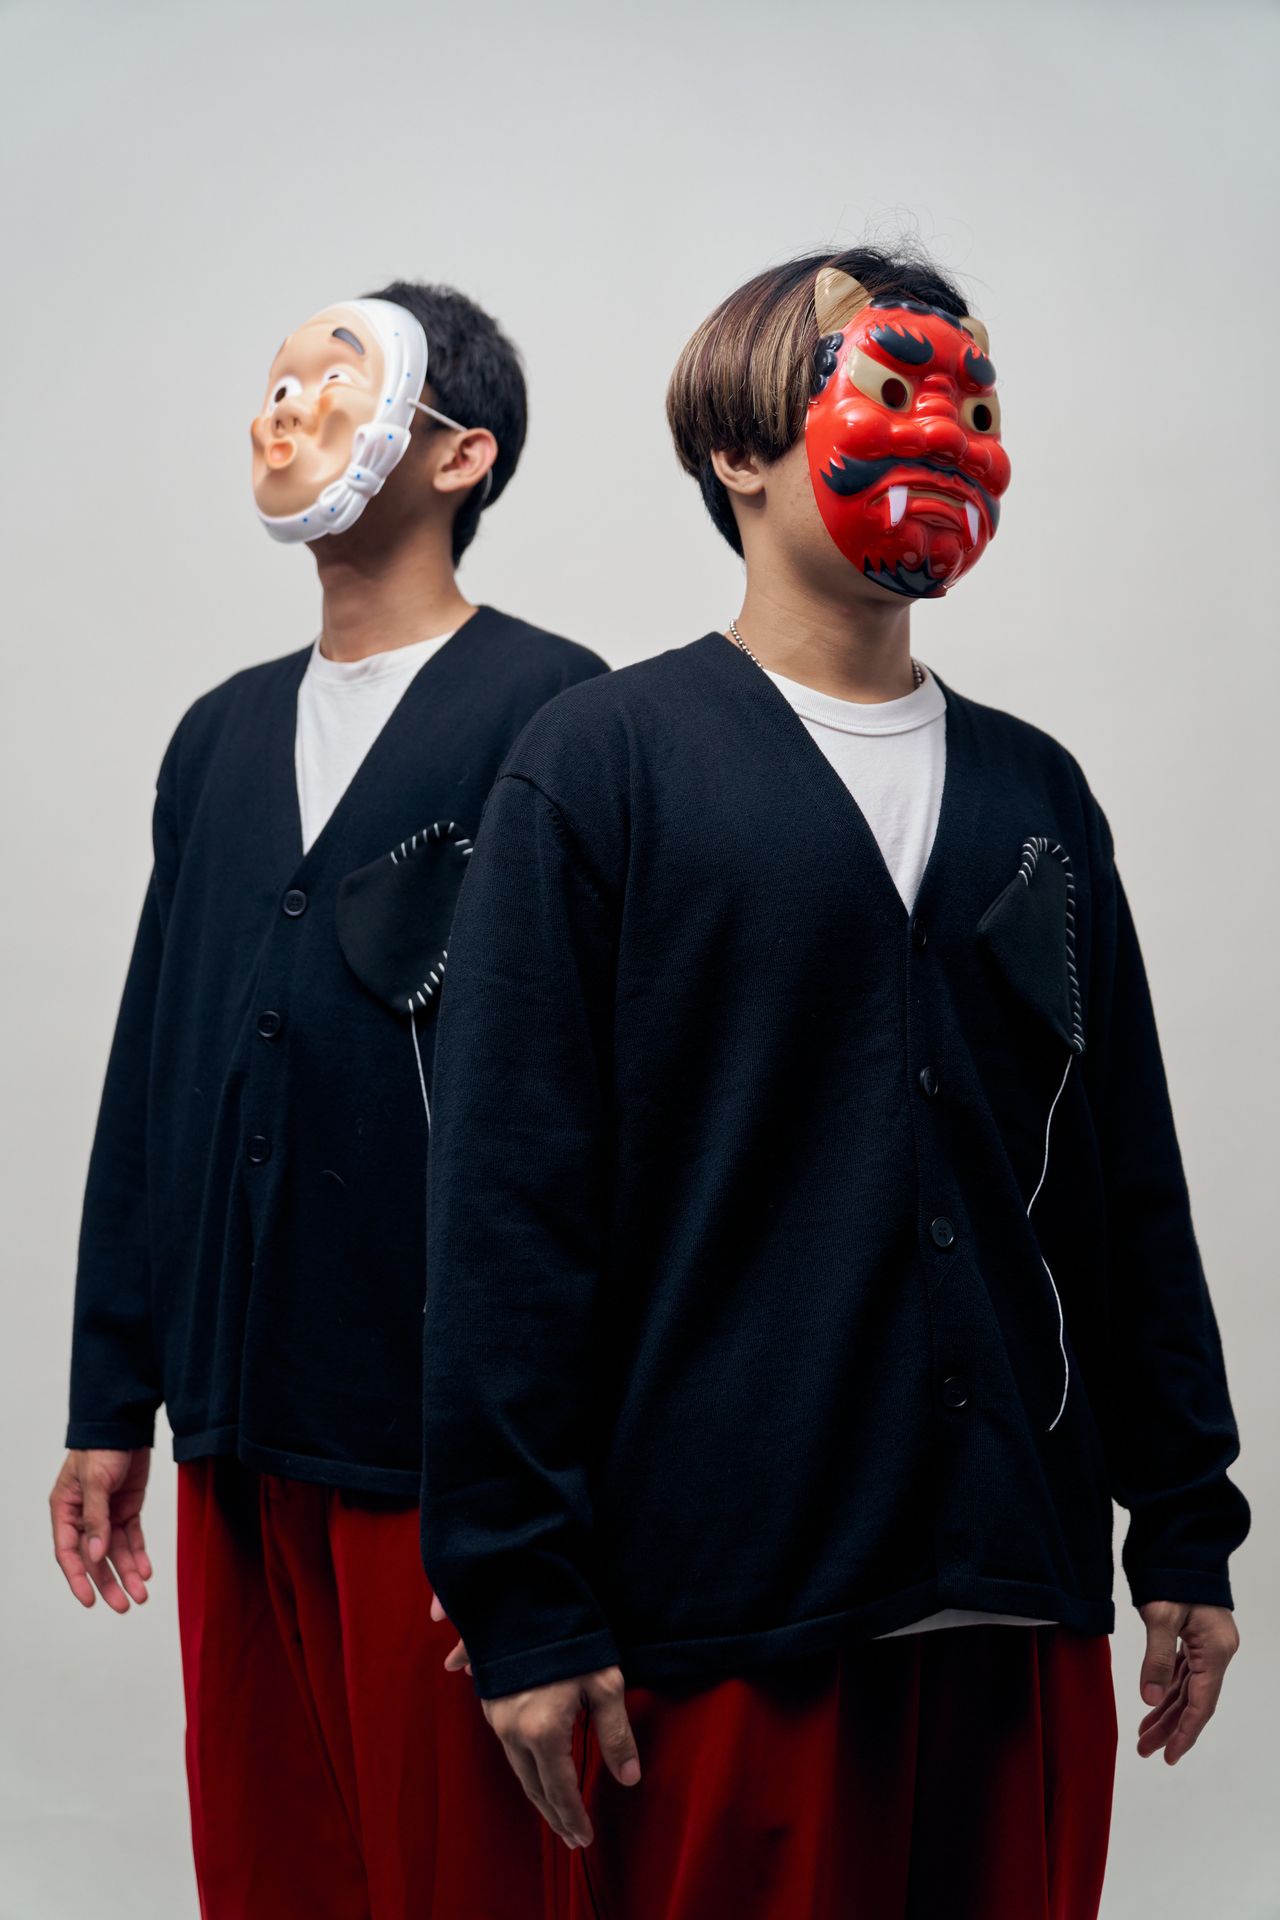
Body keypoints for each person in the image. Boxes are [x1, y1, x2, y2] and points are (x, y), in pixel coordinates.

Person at [418, 247, 1250, 1920]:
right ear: (738, 447)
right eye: (892, 384)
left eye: (973, 402)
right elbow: (509, 1201)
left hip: (1017, 1597)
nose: (943, 432)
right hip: (725, 1613)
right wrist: (524, 1595)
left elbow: (1122, 1180)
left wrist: (1183, 1521)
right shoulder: (602, 767)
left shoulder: (1039, 791)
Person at [50, 279, 607, 1920]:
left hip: (440, 1444)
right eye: (275, 377)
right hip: (236, 1422)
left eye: (337, 376)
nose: (285, 404)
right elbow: (155, 1069)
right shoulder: (217, 740)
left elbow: (594, 1117)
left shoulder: (561, 716)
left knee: (470, 1876)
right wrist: (111, 1398)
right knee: (269, 1863)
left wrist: (547, 1501)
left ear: (460, 455)